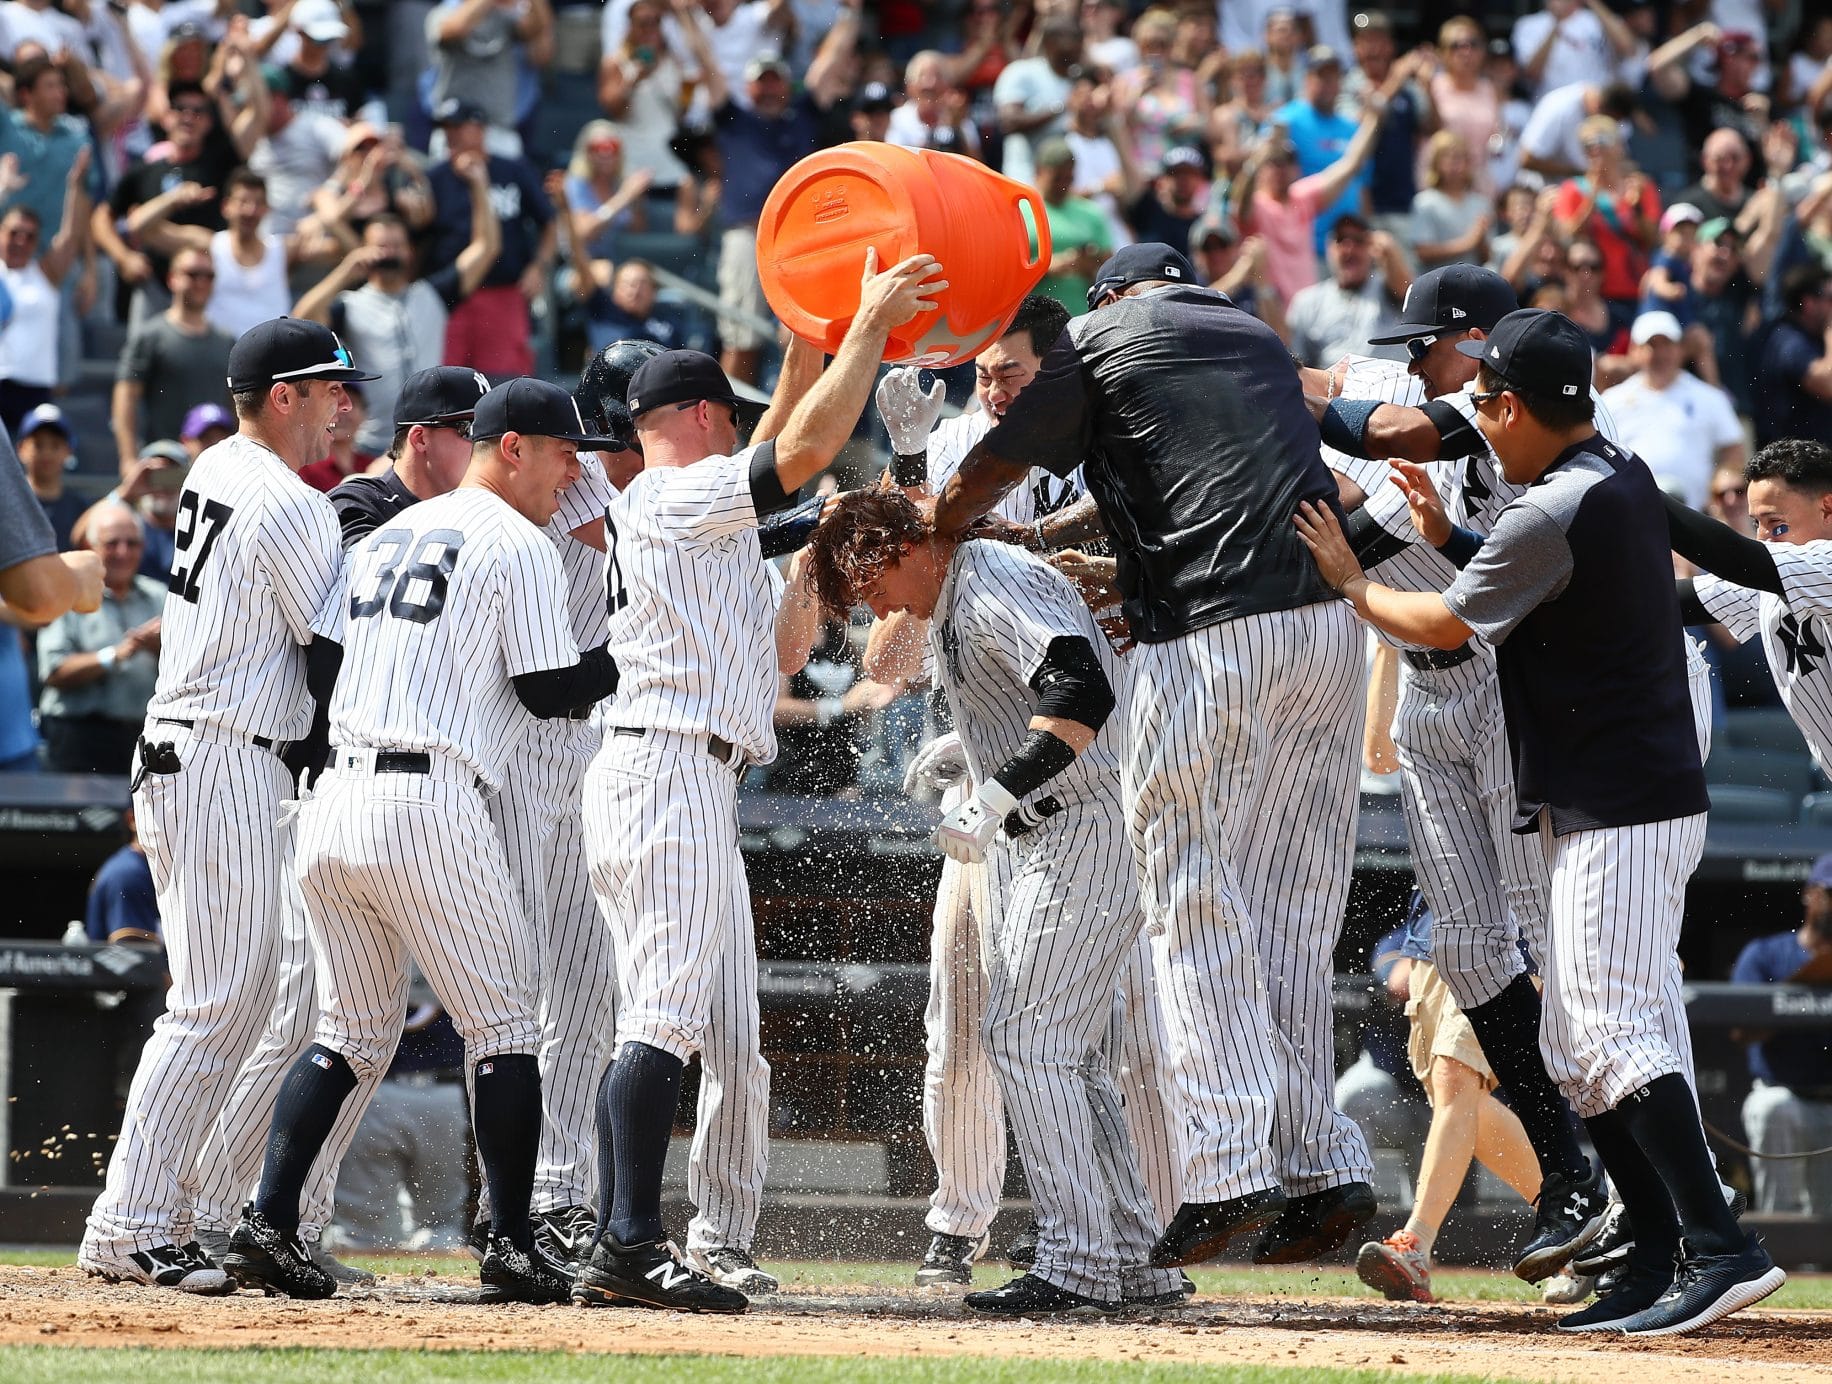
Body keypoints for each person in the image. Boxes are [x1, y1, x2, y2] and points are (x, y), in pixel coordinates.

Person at [1295, 306, 1783, 1336]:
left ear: (1512, 404)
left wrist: (1349, 580)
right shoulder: (1608, 475)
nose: (1475, 419)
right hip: (1602, 794)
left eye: (1481, 402)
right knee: (1570, 1034)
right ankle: (1652, 1252)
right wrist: (1447, 537)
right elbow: (1524, 575)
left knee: (1605, 1031)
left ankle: (1720, 1246)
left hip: (1620, 802)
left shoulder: (1552, 504)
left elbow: (1435, 618)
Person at [934, 243, 1377, 1271]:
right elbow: (1203, 484)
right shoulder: (1253, 337)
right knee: (1287, 915)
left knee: (1187, 896)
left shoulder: (1099, 334)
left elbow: (1001, 454)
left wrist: (950, 518)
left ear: (1111, 300)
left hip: (1215, 632)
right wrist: (1107, 562)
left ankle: (1225, 1172)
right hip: (1325, 632)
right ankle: (1319, 1167)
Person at [573, 252, 944, 1315]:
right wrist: (866, 326)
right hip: (661, 766)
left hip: (688, 769)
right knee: (661, 1016)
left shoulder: (697, 517)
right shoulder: (669, 494)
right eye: (726, 415)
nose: (742, 429)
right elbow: (810, 442)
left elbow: (782, 643)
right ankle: (626, 1238)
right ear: (693, 416)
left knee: (704, 1021)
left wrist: (805, 328)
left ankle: (674, 1237)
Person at [224, 376, 621, 1303]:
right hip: (429, 799)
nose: (574, 474)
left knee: (348, 1033)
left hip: (334, 803)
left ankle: (267, 1222)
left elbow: (325, 658)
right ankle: (514, 1243)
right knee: (508, 1027)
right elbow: (546, 691)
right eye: (565, 454)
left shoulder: (388, 532)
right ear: (512, 447)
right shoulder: (517, 542)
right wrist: (630, 648)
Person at [805, 489, 1185, 1315]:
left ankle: (1077, 1260)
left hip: (1081, 824)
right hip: (1050, 831)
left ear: (894, 548)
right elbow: (1021, 685)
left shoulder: (990, 576)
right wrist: (975, 752)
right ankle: (1133, 1256)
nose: (865, 601)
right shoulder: (952, 587)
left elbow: (1081, 690)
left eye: (862, 577)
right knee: (1068, 1055)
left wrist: (997, 791)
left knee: (1028, 1038)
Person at [1312, 267, 1619, 1287]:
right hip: (1426, 685)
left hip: (1506, 682)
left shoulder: (1518, 409)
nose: (1417, 360)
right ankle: (1578, 1183)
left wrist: (1262, 379)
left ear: (1482, 344)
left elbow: (1375, 472)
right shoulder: (1460, 405)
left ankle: (1629, 1187)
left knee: (1562, 960)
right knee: (1469, 943)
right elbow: (1351, 410)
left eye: (1431, 344)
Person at [78, 317, 377, 1295]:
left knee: (231, 1001)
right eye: (329, 387)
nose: (344, 404)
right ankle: (129, 1224)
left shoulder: (215, 465)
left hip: (201, 750)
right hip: (224, 757)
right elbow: (330, 656)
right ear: (281, 395)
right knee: (215, 1005)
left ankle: (163, 1213)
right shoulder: (285, 500)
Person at [1353, 876, 1541, 1304]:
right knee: (1461, 1103)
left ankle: (1415, 1244)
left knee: (1456, 1081)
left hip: (1506, 933)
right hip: (1431, 936)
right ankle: (1576, 1221)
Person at [293, 152, 501, 458]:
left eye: (396, 246)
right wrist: (345, 271)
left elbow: (487, 247)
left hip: (429, 438)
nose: (389, 253)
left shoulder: (432, 293)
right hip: (371, 443)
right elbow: (301, 321)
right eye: (381, 246)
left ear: (410, 252)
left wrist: (479, 185)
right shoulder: (351, 304)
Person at [692, 6, 858, 386]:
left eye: (775, 82)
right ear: (748, 87)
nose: (768, 89)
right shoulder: (732, 117)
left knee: (806, 335)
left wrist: (851, 12)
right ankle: (738, 428)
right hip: (747, 235)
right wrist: (686, 16)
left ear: (787, 85)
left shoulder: (803, 114)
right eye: (761, 82)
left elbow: (829, 63)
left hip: (800, 239)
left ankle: (801, 427)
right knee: (741, 335)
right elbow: (707, 61)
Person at [1731, 852, 1832, 1216]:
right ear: (1812, 894)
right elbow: (1740, 1030)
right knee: (1771, 1107)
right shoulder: (1767, 955)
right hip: (1786, 1095)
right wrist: (1802, 991)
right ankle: (1778, 1255)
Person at [425, 100, 554, 379]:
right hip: (451, 297)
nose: (452, 134)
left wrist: (538, 266)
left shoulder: (512, 170)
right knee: (449, 382)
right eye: (447, 128)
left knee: (503, 381)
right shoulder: (435, 178)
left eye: (459, 126)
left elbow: (549, 222)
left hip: (503, 292)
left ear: (480, 129)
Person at [36, 503, 165, 776]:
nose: (123, 552)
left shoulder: (160, 596)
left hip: (142, 737)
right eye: (112, 543)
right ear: (90, 546)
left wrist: (161, 650)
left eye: (132, 543)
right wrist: (115, 656)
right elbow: (53, 669)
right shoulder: (70, 593)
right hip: (79, 738)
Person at [1601, 310, 1744, 510]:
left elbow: (1733, 449)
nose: (1660, 354)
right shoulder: (1612, 401)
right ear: (1635, 351)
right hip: (1633, 516)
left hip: (1698, 516)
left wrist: (1719, 495)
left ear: (1680, 349)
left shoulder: (1709, 397)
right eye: (1651, 345)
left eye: (1667, 344)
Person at [112, 245, 237, 470]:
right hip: (164, 461)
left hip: (216, 465)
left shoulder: (226, 341)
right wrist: (128, 457)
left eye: (209, 276)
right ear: (172, 278)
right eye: (192, 274)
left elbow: (235, 405)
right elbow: (126, 397)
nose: (201, 282)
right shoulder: (151, 336)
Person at [0, 151, 91, 436]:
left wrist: (75, 185)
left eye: (29, 236)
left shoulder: (45, 275)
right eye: (14, 232)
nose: (20, 241)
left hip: (35, 390)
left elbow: (70, 236)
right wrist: (2, 190)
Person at [1286, 214, 1411, 366]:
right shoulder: (1308, 302)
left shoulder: (1388, 287)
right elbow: (1300, 364)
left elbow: (1408, 293)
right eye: (1341, 240)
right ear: (1328, 249)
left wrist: (1389, 250)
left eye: (1359, 241)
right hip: (1333, 387)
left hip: (1388, 385)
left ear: (1371, 249)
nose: (1350, 249)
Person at [992, 15, 1082, 184]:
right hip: (1025, 180)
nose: (1078, 44)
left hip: (1069, 188)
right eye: (1071, 38)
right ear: (1050, 42)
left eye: (1079, 38)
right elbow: (1009, 122)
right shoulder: (1023, 72)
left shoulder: (1079, 79)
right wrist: (1061, 108)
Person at [1031, 139, 1115, 317]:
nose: (1063, 185)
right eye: (1057, 178)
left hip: (1080, 316)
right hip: (1031, 318)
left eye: (1069, 178)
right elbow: (1005, 269)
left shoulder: (1090, 213)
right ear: (1038, 171)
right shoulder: (1021, 210)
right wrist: (1047, 267)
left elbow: (1110, 269)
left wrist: (1090, 266)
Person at [1752, 263, 1832, 447]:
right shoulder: (1788, 341)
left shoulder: (1819, 339)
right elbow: (1828, 384)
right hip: (1795, 466)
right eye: (1831, 298)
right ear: (1808, 304)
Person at [85, 805, 161, 945]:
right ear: (132, 819)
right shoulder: (128, 873)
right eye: (160, 812)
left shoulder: (143, 866)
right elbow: (135, 955)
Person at [17, 402, 84, 549]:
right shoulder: (8, 503)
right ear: (21, 449)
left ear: (68, 451)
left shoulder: (80, 509)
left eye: (55, 445)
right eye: (38, 445)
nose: (47, 453)